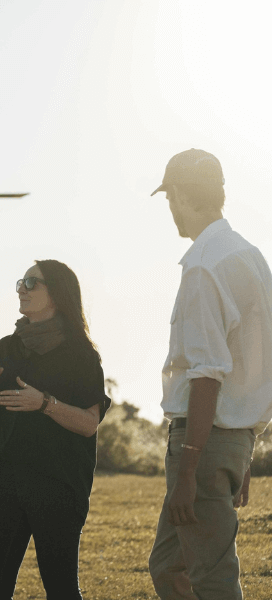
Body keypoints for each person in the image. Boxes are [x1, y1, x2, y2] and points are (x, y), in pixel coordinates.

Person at [147, 149, 272, 599]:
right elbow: (257, 365)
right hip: (228, 439)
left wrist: (190, 468)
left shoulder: (203, 265)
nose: (171, 211)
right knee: (168, 565)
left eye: (169, 200)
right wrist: (241, 448)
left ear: (180, 194)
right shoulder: (251, 258)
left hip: (201, 442)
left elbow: (207, 374)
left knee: (212, 579)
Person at [0, 259, 111, 599]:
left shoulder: (82, 355)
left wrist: (44, 403)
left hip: (57, 484)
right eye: (20, 281)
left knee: (61, 587)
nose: (21, 288)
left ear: (58, 293)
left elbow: (89, 424)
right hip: (4, 481)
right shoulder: (6, 347)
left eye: (31, 282)